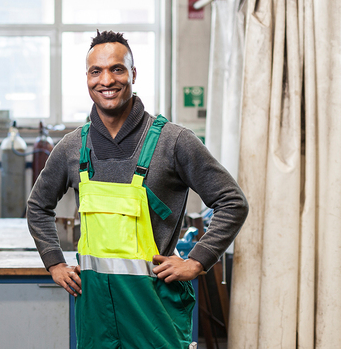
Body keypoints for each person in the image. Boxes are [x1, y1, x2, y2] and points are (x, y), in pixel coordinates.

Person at [27, 30, 248, 348]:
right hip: (97, 317)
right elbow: (37, 206)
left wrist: (197, 260)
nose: (107, 80)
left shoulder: (173, 142)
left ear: (132, 73)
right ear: (87, 78)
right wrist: (54, 262)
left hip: (154, 316)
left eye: (117, 68)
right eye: (96, 71)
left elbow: (232, 201)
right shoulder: (73, 147)